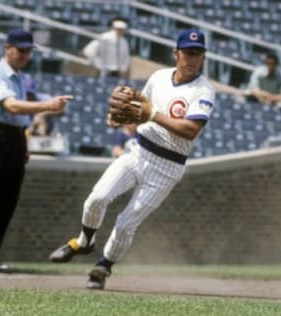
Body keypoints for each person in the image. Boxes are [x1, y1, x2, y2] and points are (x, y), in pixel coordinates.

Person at [49, 29, 215, 290]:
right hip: (138, 150)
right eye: (188, 53)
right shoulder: (159, 77)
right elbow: (141, 109)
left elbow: (190, 129)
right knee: (97, 198)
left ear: (203, 57)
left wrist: (152, 114)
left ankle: (103, 267)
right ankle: (84, 241)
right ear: (176, 54)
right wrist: (122, 119)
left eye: (198, 54)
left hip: (168, 166)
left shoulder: (204, 90)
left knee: (126, 223)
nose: (192, 59)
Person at [0, 29, 73, 272]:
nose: (25, 55)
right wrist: (47, 105)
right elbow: (12, 107)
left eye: (28, 50)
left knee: (7, 201)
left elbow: (18, 119)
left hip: (13, 139)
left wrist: (23, 143)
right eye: (21, 49)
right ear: (7, 48)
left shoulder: (17, 76)